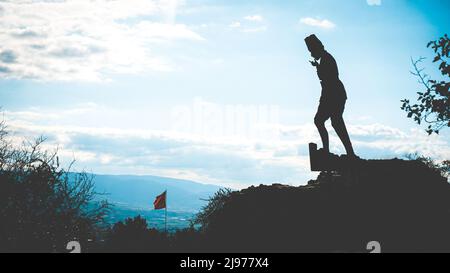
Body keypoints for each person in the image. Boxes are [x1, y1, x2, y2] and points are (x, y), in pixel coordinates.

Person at [305, 34, 356, 158]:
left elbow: (329, 79)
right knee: (330, 122)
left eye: (312, 51)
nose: (311, 54)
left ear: (318, 48)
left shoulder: (327, 59)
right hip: (332, 94)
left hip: (333, 94)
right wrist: (318, 67)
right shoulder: (325, 59)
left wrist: (319, 69)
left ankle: (345, 153)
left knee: (331, 121)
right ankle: (344, 152)